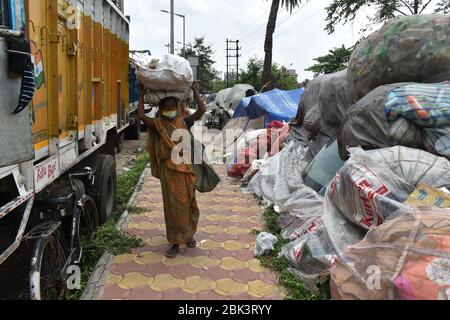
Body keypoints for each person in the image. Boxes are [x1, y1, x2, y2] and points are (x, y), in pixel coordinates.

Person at [137, 82, 206, 258]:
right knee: (173, 207)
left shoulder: (185, 121)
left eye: (172, 106)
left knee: (188, 202)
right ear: (161, 109)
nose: (169, 108)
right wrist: (141, 94)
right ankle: (175, 242)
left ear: (178, 107)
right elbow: (141, 117)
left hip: (185, 169)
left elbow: (201, 111)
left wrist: (196, 91)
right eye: (166, 106)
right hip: (169, 171)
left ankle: (189, 235)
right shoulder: (158, 124)